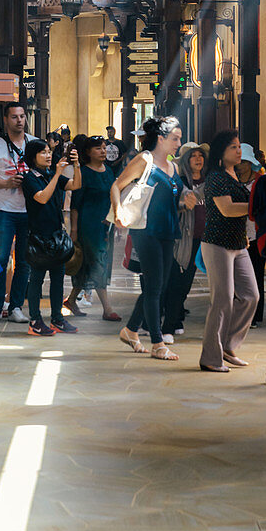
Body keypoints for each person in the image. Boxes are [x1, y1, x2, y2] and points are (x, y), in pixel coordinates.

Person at [111, 116, 196, 361]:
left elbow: (174, 200)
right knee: (155, 286)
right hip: (145, 230)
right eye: (175, 138)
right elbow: (116, 186)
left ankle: (130, 330)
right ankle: (158, 343)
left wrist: (185, 201)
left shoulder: (174, 167)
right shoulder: (144, 160)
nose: (179, 143)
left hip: (168, 230)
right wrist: (118, 211)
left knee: (155, 285)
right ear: (161, 138)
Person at [199, 131, 260, 372]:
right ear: (221, 153)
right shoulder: (215, 177)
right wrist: (257, 207)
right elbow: (226, 209)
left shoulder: (234, 175)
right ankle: (211, 358)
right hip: (217, 243)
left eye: (239, 147)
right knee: (222, 300)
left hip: (238, 243)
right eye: (233, 147)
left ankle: (228, 346)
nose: (238, 151)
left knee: (250, 296)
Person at [0, 102, 35, 324]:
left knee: (24, 261)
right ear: (6, 120)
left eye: (22, 116)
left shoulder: (34, 143)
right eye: (14, 117)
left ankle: (16, 307)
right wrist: (6, 183)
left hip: (30, 210)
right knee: (1, 259)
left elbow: (45, 172)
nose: (19, 120)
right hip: (4, 210)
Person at [22, 139, 81, 336]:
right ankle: (35, 321)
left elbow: (75, 184)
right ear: (33, 157)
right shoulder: (30, 178)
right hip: (39, 236)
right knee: (37, 279)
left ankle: (57, 318)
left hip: (56, 235)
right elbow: (42, 197)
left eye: (49, 151)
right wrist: (57, 174)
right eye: (43, 152)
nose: (48, 155)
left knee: (58, 278)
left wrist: (76, 165)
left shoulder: (50, 175)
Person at [64, 135, 121, 321]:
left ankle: (71, 300)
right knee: (98, 262)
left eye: (104, 147)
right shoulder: (84, 173)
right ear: (87, 152)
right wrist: (73, 230)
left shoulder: (109, 171)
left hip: (106, 224)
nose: (103, 151)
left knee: (86, 264)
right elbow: (75, 205)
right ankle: (107, 308)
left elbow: (113, 197)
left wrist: (115, 219)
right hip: (88, 224)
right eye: (98, 148)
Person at [162, 142, 208, 342]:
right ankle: (168, 327)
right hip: (183, 240)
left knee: (185, 284)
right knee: (177, 284)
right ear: (186, 161)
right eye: (193, 156)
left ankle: (176, 319)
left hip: (204, 239)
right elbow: (171, 205)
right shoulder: (179, 181)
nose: (198, 159)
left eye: (201, 155)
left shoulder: (210, 182)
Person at [242, 143, 266, 326]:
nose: (239, 165)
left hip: (256, 235)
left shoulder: (260, 181)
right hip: (236, 235)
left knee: (256, 275)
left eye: (243, 161)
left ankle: (255, 315)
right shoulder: (232, 179)